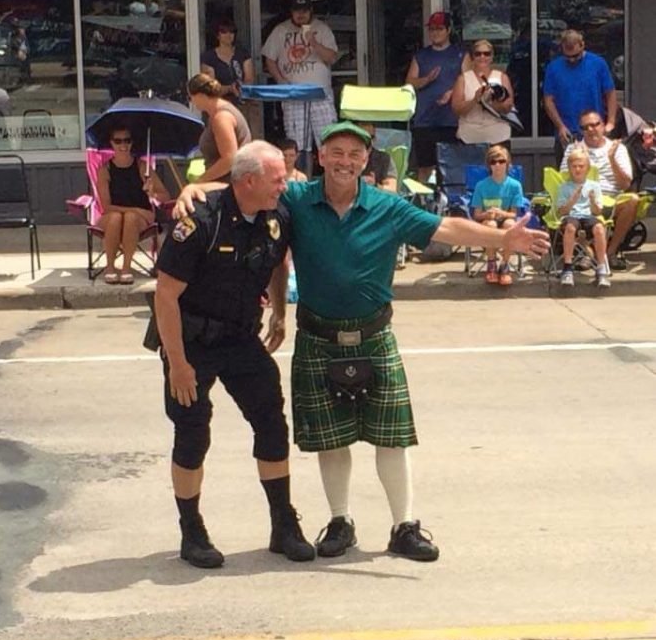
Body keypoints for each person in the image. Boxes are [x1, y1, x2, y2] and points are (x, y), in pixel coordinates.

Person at [173, 121, 549, 562]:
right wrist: (191, 189)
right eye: (337, 152)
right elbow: (247, 183)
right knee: (332, 440)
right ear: (322, 156)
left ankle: (404, 525)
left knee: (391, 438)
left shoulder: (387, 207)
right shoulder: (295, 198)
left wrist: (503, 238)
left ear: (366, 161)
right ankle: (340, 521)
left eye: (355, 154)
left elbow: (446, 229)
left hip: (373, 334)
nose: (345, 161)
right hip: (317, 334)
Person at [154, 140, 315, 568]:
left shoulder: (276, 216)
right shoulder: (200, 221)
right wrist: (179, 365)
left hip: (240, 337)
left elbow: (280, 263)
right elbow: (165, 296)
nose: (286, 185)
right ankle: (192, 531)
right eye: (278, 179)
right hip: (190, 341)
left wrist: (280, 313)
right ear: (248, 181)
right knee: (193, 432)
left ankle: (283, 523)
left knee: (271, 420)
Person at [261, 0, 338, 174]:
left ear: (310, 11)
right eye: (297, 11)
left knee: (328, 141)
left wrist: (313, 42)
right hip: (293, 96)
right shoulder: (281, 30)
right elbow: (269, 59)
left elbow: (332, 57)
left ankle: (331, 182)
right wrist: (281, 81)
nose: (300, 15)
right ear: (292, 12)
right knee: (297, 145)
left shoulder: (322, 28)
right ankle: (301, 181)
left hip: (320, 95)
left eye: (304, 11)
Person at [559, 109, 638, 271]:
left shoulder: (618, 149)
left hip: (610, 200)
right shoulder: (573, 149)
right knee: (565, 209)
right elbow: (563, 182)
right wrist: (582, 162)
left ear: (603, 126)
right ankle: (588, 253)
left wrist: (611, 158)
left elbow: (625, 185)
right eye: (586, 127)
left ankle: (609, 253)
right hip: (581, 200)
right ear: (581, 130)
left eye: (595, 124)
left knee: (633, 200)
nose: (591, 129)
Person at [95, 126, 169, 284]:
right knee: (116, 217)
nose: (123, 145)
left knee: (130, 218)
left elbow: (165, 196)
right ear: (111, 143)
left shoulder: (143, 167)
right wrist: (135, 209)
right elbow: (106, 207)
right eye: (118, 141)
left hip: (139, 220)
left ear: (132, 143)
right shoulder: (104, 170)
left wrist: (152, 193)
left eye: (127, 140)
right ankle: (110, 266)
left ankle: (126, 268)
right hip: (114, 215)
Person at [405, 11, 467, 182]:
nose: (435, 33)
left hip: (451, 120)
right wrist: (426, 79)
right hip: (425, 119)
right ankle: (423, 203)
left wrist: (452, 92)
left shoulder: (460, 54)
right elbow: (409, 83)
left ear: (448, 30)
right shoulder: (421, 55)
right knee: (424, 167)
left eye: (439, 29)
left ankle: (450, 204)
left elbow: (469, 80)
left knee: (451, 166)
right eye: (432, 29)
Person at [543, 29, 617, 163]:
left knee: (598, 173)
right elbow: (548, 101)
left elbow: (610, 93)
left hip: (594, 129)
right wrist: (560, 126)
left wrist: (610, 122)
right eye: (568, 56)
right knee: (567, 175)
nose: (571, 60)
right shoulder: (554, 68)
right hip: (568, 132)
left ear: (582, 45)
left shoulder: (598, 64)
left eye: (575, 56)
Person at [556, 146, 610, 288]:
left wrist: (592, 200)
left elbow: (597, 212)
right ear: (569, 168)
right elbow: (561, 212)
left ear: (587, 168)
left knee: (599, 228)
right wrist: (573, 199)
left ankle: (601, 267)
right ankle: (567, 268)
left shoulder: (594, 186)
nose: (578, 169)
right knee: (570, 228)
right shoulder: (564, 187)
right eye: (574, 166)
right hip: (571, 215)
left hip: (588, 215)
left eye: (581, 166)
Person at [470, 144, 524, 285]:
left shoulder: (515, 185)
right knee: (491, 224)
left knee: (510, 225)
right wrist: (487, 214)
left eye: (501, 161)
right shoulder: (481, 186)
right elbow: (476, 216)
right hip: (487, 223)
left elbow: (514, 215)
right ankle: (491, 263)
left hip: (506, 219)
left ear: (508, 163)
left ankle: (505, 265)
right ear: (489, 165)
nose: (498, 165)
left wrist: (502, 213)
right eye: (493, 162)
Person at [188, 74, 252, 182]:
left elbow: (229, 159)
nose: (192, 102)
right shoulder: (216, 115)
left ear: (201, 95)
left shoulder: (222, 118)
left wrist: (201, 180)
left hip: (230, 185)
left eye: (191, 97)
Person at [451, 39, 514, 147]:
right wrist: (475, 99)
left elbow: (508, 107)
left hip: (498, 136)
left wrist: (490, 102)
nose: (482, 57)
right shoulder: (463, 79)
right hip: (470, 138)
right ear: (473, 57)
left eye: (487, 54)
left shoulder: (502, 77)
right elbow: (456, 109)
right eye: (478, 54)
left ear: (492, 57)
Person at [200, 18, 254, 107]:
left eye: (231, 32)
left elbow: (249, 78)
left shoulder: (243, 53)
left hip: (243, 103)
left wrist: (241, 88)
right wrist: (230, 88)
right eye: (224, 32)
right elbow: (211, 87)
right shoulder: (209, 57)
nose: (228, 35)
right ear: (217, 35)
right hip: (218, 105)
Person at [356, 121, 398, 193]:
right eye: (362, 137)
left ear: (374, 139)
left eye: (370, 137)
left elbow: (392, 189)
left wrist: (375, 186)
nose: (367, 141)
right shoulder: (344, 158)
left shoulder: (384, 159)